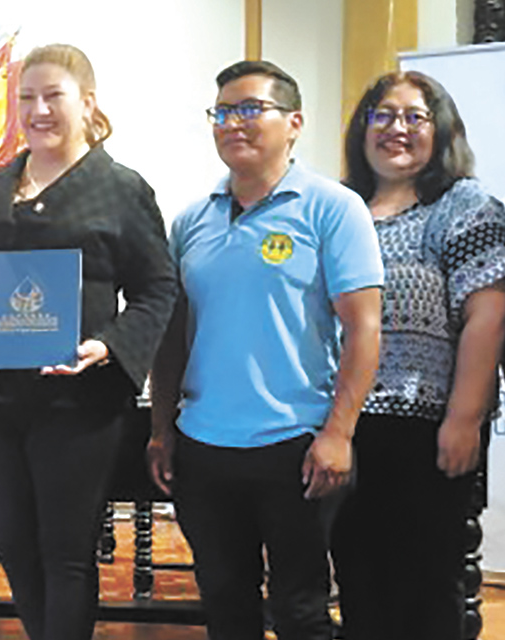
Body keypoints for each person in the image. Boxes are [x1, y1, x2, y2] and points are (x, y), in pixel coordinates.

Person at [0, 43, 177, 640]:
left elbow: (158, 288)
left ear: (88, 103)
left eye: (54, 96)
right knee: (15, 548)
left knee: (66, 553)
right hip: (0, 399)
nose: (38, 109)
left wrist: (108, 345)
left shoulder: (121, 188)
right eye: (26, 97)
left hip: (79, 403)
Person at [148, 60, 383, 640]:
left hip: (297, 445)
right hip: (205, 447)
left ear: (294, 122)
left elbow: (365, 328)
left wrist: (339, 433)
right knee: (226, 606)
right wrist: (161, 429)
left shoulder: (333, 208)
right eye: (223, 112)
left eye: (251, 109)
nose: (234, 123)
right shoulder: (192, 220)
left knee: (300, 610)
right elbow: (173, 333)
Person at [331, 70, 505, 640]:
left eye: (414, 116)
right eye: (382, 115)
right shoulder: (340, 210)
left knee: (426, 588)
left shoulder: (464, 205)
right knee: (358, 581)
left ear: (441, 130)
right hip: (342, 426)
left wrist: (464, 418)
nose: (396, 128)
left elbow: (488, 315)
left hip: (425, 428)